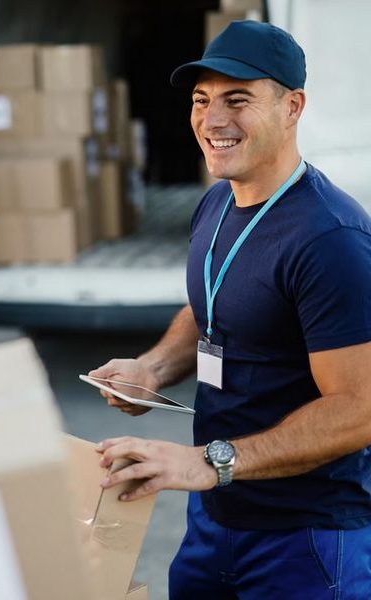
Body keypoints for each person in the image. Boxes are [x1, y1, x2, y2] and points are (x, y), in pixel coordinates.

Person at [89, 21, 371, 598]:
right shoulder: (217, 201)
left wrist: (209, 462)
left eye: (237, 100)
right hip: (214, 519)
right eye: (202, 100)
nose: (213, 119)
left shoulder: (331, 238)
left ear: (292, 107)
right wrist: (154, 369)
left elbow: (360, 409)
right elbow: (214, 303)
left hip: (305, 539)